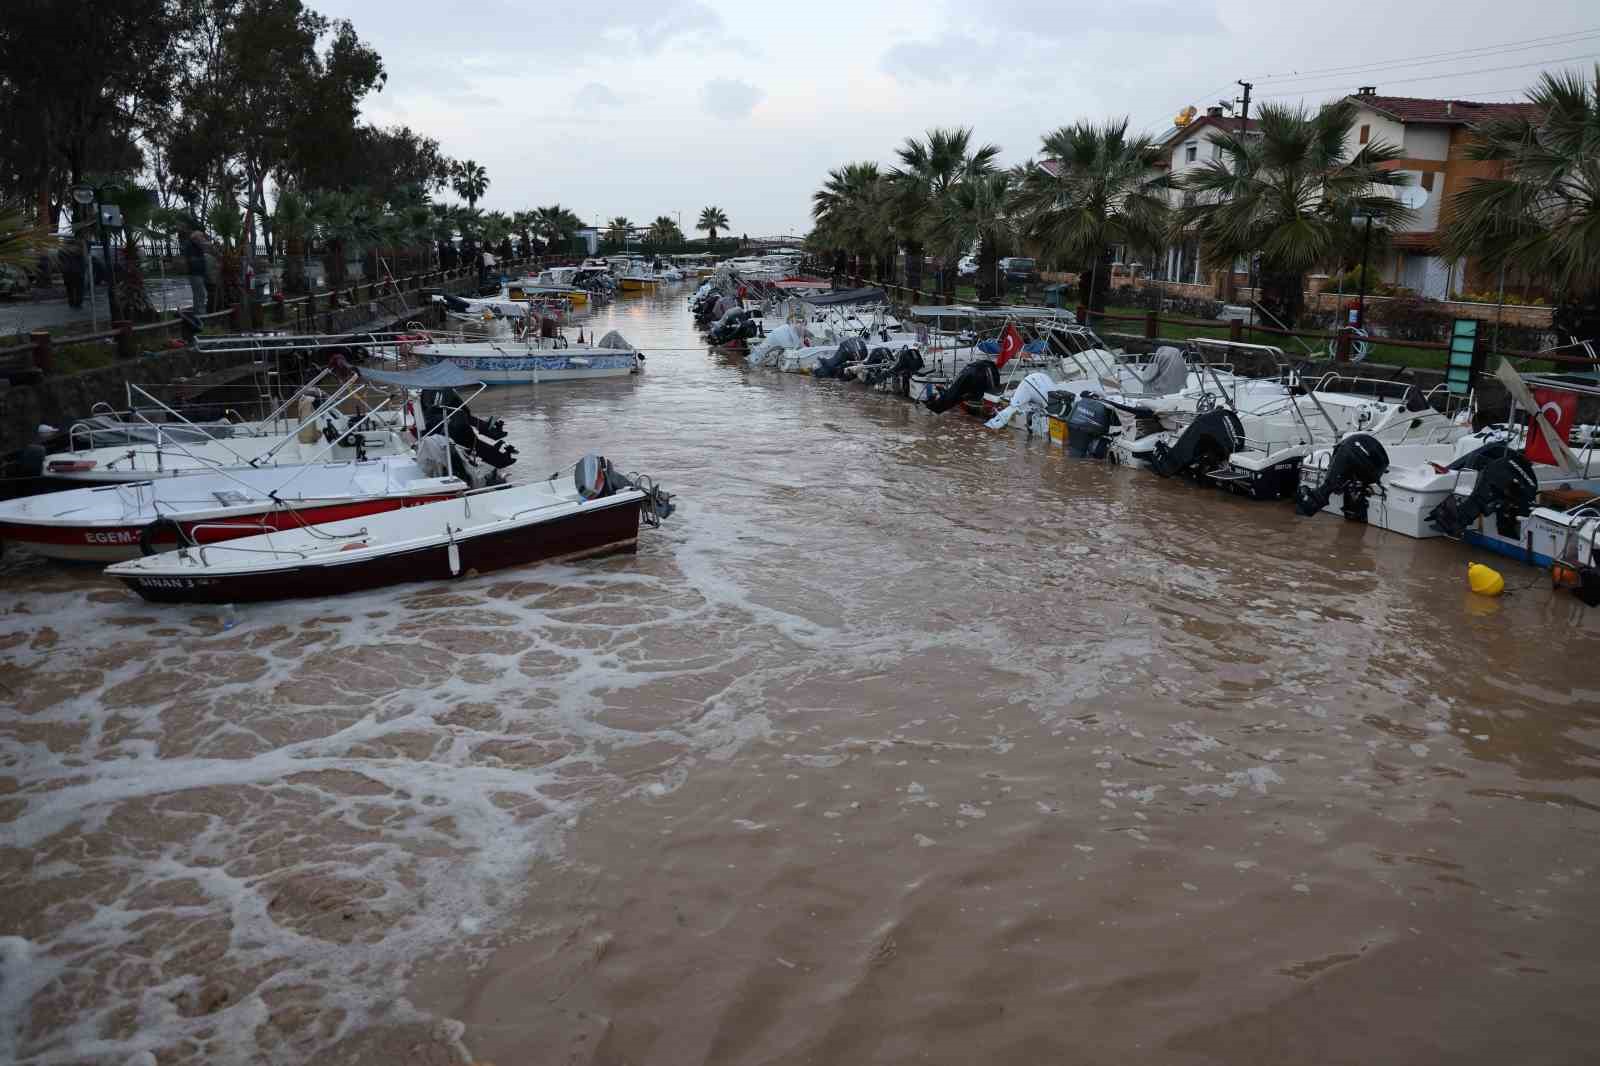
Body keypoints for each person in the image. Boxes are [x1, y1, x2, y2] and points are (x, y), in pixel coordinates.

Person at [185, 230, 210, 313]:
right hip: (195, 273)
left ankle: (199, 311)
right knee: (200, 293)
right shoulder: (190, 247)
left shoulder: (197, 246)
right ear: (196, 238)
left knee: (200, 293)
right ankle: (200, 312)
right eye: (201, 238)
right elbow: (193, 261)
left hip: (200, 273)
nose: (202, 239)